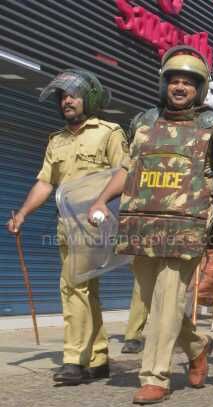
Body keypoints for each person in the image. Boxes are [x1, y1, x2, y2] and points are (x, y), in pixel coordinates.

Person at [88, 46, 213, 404]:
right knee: (152, 298)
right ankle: (197, 345)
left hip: (188, 222)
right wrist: (101, 200)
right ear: (164, 84)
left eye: (188, 82)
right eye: (174, 81)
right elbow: (127, 169)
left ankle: (155, 376)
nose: (180, 87)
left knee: (169, 296)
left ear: (199, 88)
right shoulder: (145, 122)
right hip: (142, 220)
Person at [7, 70, 127, 384]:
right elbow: (46, 183)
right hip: (65, 227)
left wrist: (103, 204)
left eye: (73, 96)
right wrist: (23, 214)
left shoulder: (109, 133)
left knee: (72, 286)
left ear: (90, 98)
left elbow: (124, 174)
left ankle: (74, 359)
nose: (66, 101)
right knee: (86, 290)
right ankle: (98, 358)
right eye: (62, 97)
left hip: (94, 225)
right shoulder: (57, 140)